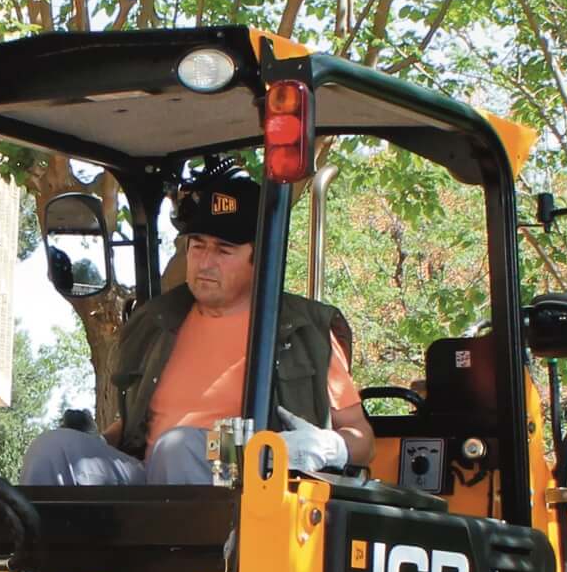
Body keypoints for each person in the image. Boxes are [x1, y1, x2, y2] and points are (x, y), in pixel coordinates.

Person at [21, 157, 375, 486]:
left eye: (223, 251)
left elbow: (362, 439)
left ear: (260, 257)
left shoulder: (304, 331)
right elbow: (136, 425)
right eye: (198, 246)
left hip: (246, 475)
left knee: (179, 447)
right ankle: (42, 553)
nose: (205, 262)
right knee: (54, 450)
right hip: (152, 473)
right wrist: (98, 443)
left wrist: (328, 446)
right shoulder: (156, 322)